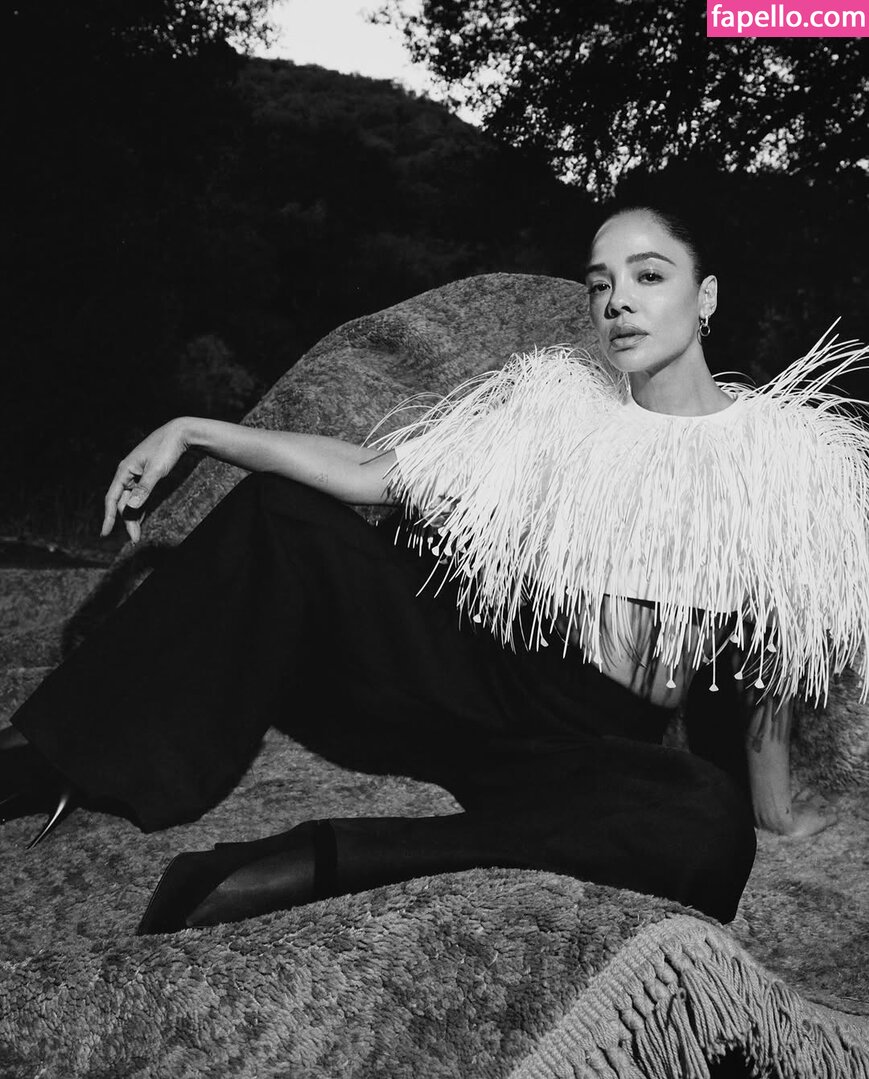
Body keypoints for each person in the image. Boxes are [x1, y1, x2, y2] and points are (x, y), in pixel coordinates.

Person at [2, 206, 866, 936]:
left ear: (704, 296)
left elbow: (773, 667)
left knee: (705, 823)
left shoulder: (782, 459)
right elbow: (374, 475)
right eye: (599, 283)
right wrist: (195, 430)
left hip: (597, 746)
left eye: (648, 276)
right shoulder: (558, 413)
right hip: (487, 681)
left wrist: (770, 807)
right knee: (281, 515)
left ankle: (303, 863)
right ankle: (53, 757)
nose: (617, 303)